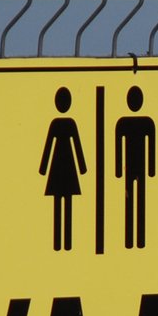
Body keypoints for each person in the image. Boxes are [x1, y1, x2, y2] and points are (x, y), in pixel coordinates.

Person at [38, 86, 87, 251]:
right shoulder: (62, 123)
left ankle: (63, 243)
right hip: (64, 167)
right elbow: (50, 146)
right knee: (63, 203)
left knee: (62, 202)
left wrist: (44, 168)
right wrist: (82, 167)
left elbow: (74, 146)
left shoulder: (62, 123)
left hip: (61, 166)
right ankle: (62, 243)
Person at [114, 85, 155, 248]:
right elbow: (118, 146)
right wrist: (118, 170)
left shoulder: (145, 122)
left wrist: (152, 169)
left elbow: (151, 145)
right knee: (131, 200)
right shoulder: (126, 123)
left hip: (136, 168)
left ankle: (138, 240)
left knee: (137, 200)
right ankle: (131, 240)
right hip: (132, 169)